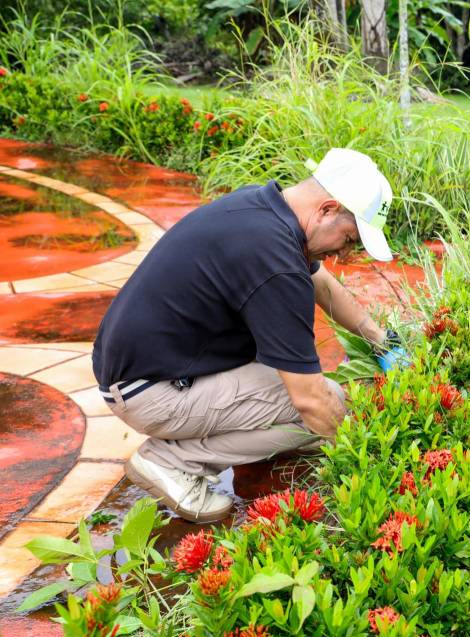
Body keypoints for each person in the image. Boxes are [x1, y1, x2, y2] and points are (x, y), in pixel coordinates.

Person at [92, 148, 409, 524]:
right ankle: (171, 461)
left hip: (141, 367)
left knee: (307, 397)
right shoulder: (275, 262)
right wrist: (373, 468)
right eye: (349, 237)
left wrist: (381, 340)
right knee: (323, 407)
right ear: (327, 209)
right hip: (150, 392)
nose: (345, 250)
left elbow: (319, 281)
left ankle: (201, 442)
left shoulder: (263, 208)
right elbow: (310, 401)